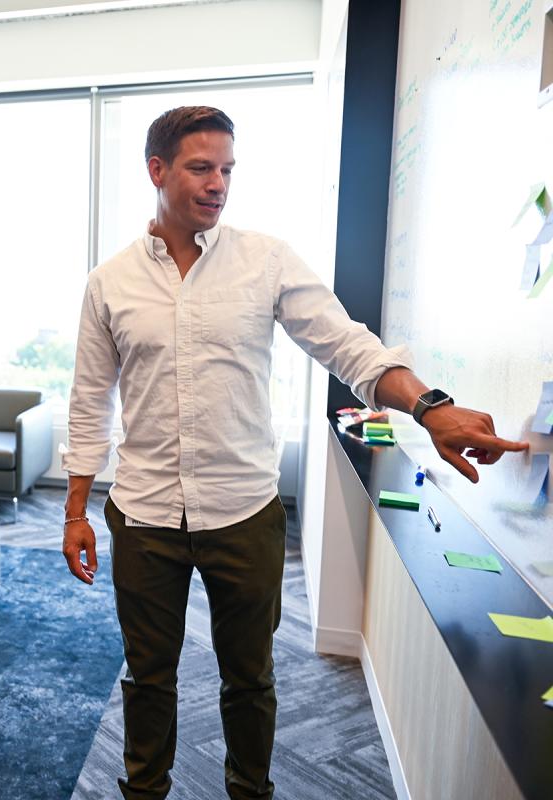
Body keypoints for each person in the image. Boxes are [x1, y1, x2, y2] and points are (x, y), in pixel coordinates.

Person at [61, 107, 529, 799]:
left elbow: (350, 346)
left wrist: (430, 406)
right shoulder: (111, 282)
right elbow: (89, 397)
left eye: (227, 170)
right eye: (200, 168)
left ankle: (251, 791)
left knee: (249, 678)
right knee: (147, 674)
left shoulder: (266, 260)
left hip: (244, 513)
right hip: (145, 514)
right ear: (157, 171)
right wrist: (76, 510)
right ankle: (143, 790)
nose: (218, 184)